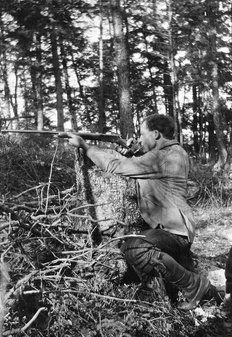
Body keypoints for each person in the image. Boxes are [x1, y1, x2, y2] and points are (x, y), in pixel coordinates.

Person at [67, 113, 219, 311]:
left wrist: (86, 147)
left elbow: (116, 165)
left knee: (134, 248)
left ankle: (194, 285)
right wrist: (136, 151)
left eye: (142, 134)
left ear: (155, 134)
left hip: (174, 232)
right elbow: (148, 165)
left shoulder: (162, 157)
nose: (139, 139)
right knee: (132, 245)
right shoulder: (175, 152)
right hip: (177, 230)